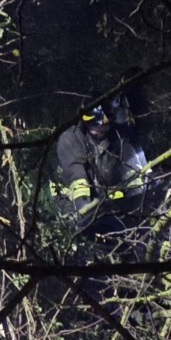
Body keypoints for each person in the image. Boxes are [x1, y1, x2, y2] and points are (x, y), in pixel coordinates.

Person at [55, 94, 150, 237]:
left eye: (106, 125)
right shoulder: (70, 139)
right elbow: (78, 181)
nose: (102, 129)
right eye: (96, 125)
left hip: (103, 201)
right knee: (86, 233)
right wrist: (86, 218)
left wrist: (140, 204)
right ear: (85, 122)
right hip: (70, 202)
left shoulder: (117, 137)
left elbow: (132, 171)